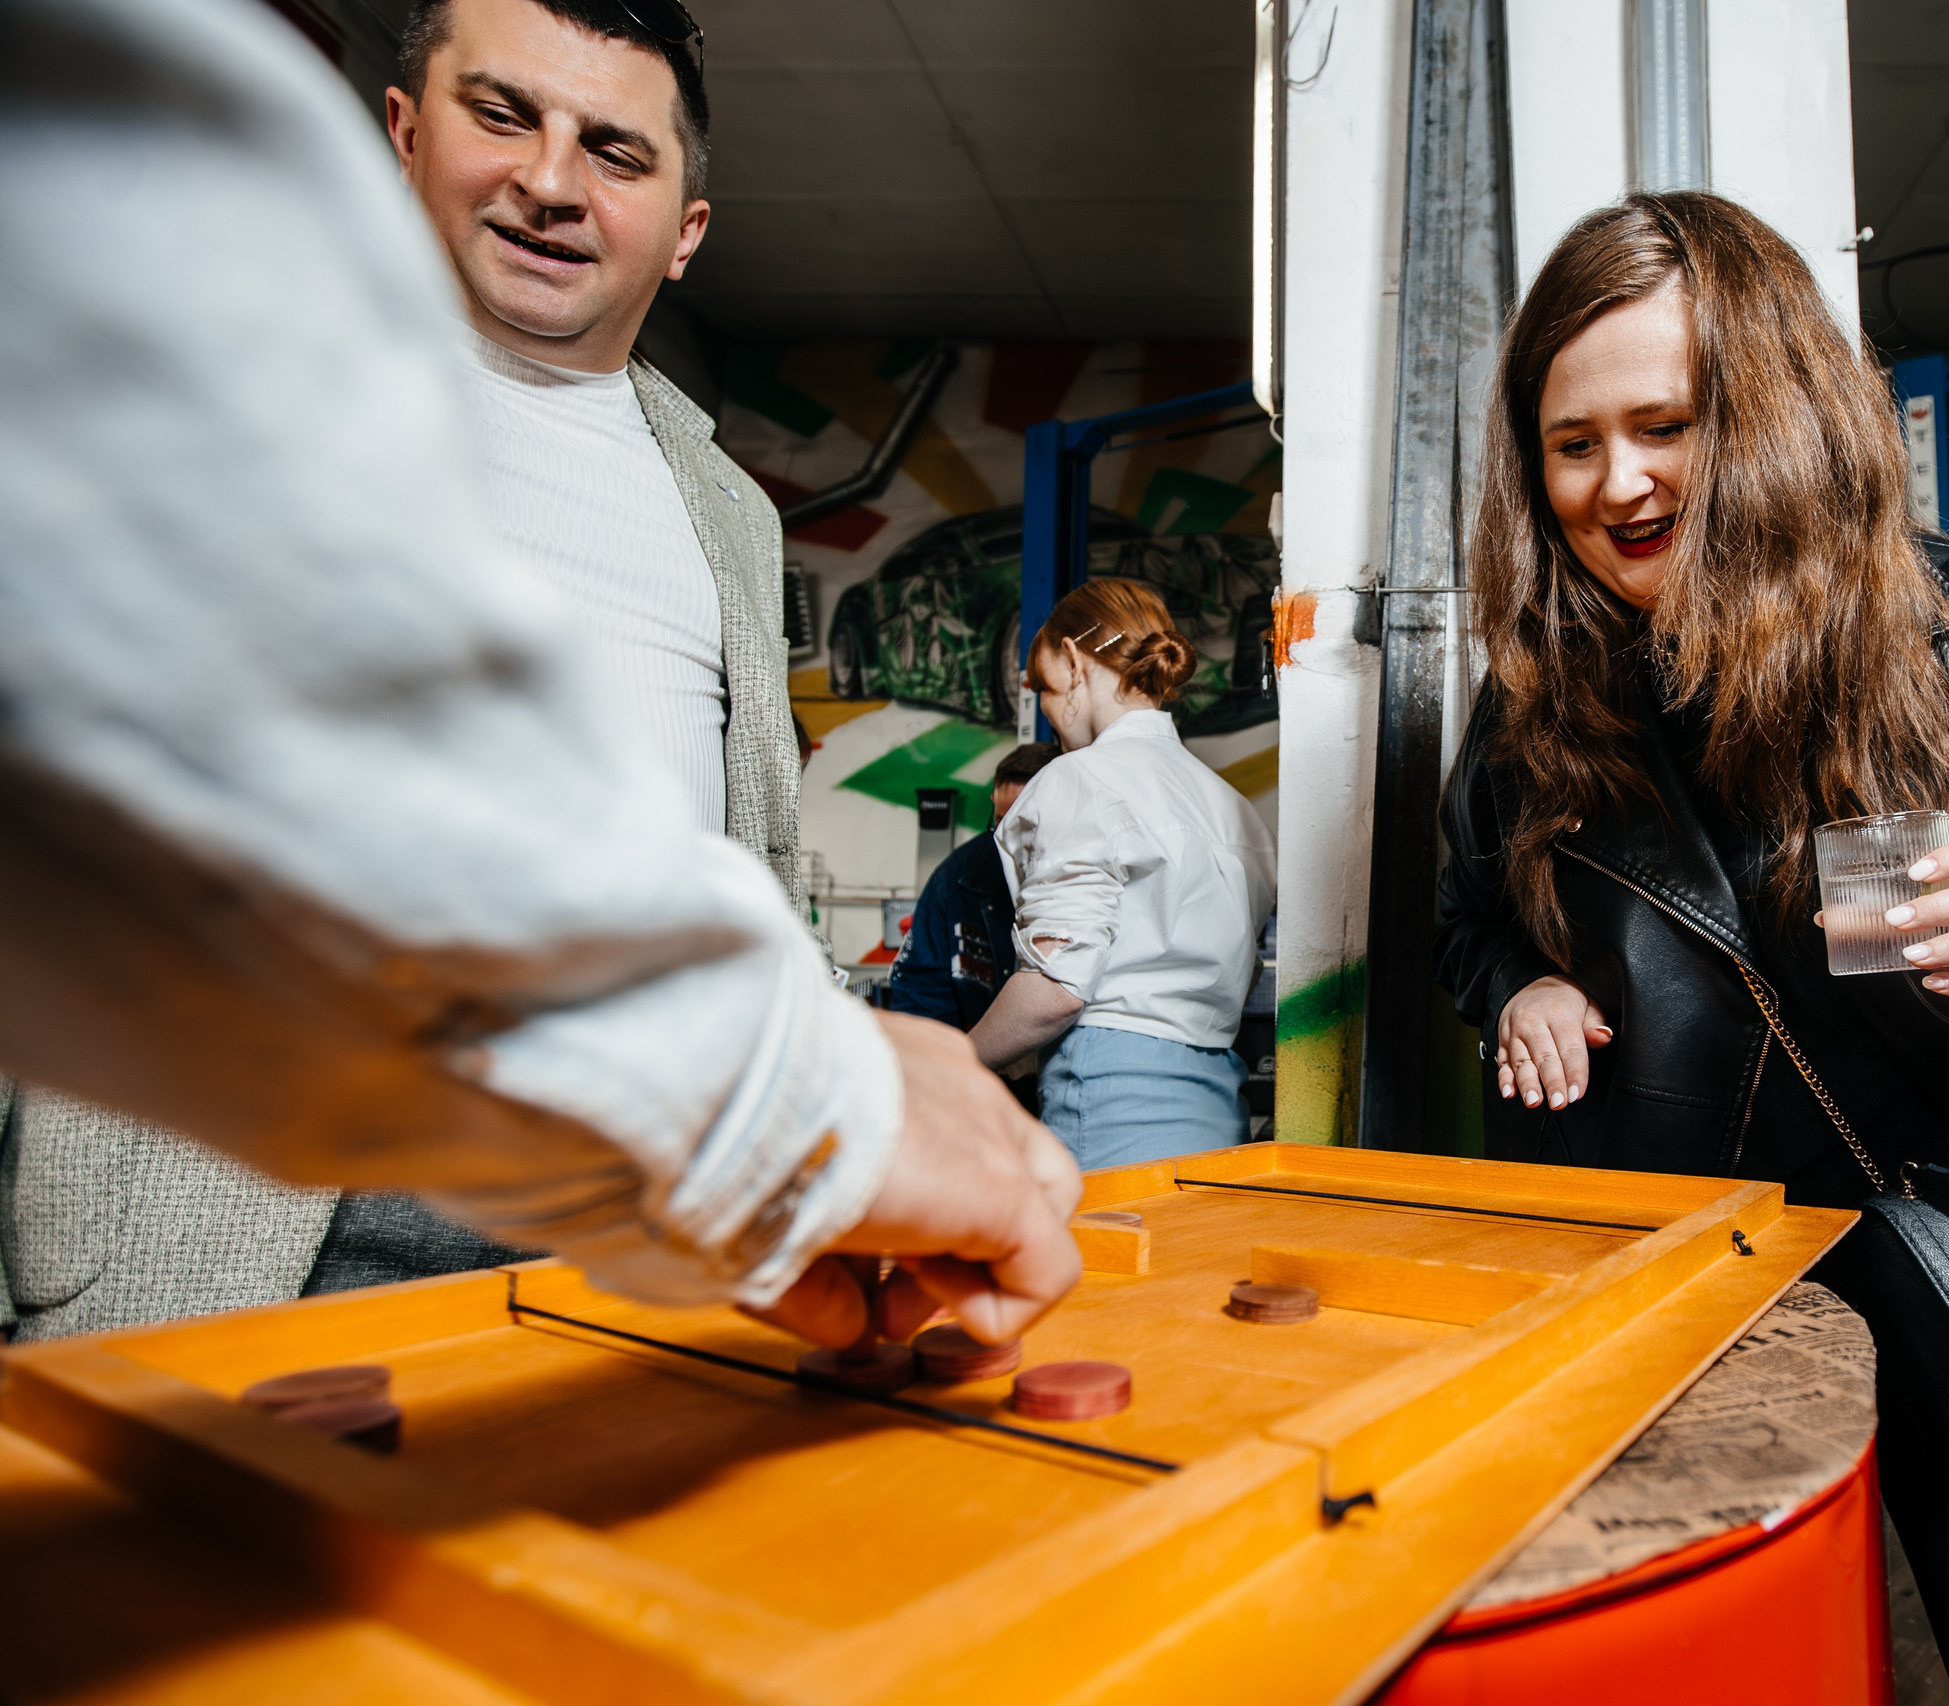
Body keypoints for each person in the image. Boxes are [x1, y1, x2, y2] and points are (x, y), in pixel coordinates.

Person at [0, 0, 1078, 1354]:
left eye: (617, 153)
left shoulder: (729, 507)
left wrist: (798, 1072)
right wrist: (787, 1091)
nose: (552, 182)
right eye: (503, 114)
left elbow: (753, 852)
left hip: (652, 1199)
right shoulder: (214, 374)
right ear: (402, 132)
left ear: (686, 228)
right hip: (264, 1211)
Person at [1433, 194, 1949, 1706]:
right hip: (1692, 1305)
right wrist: (1526, 982)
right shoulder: (1534, 710)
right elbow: (1467, 920)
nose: (1618, 481)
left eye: (1667, 423)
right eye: (1572, 443)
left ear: (1771, 413)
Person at [968, 581, 1278, 1168]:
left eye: (1043, 689)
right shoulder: (1234, 808)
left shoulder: (1078, 779)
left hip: (1110, 1101)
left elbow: (1056, 988)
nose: (1050, 718)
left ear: (1074, 661)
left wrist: (958, 1058)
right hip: (1216, 1105)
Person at [884, 744, 1060, 1031]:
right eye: (1002, 821)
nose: (1010, 838)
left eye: (1027, 825)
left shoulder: (1094, 875)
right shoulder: (959, 876)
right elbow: (921, 991)